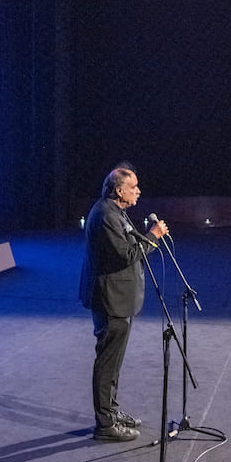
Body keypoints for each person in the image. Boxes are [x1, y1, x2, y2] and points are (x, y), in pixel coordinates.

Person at [78, 167, 169, 442]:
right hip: (110, 300)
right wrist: (153, 236)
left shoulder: (115, 212)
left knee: (113, 362)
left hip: (118, 298)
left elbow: (125, 245)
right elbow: (127, 254)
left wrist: (145, 235)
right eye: (134, 186)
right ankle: (105, 425)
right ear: (119, 190)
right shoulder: (106, 214)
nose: (138, 191)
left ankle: (111, 413)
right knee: (107, 363)